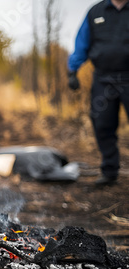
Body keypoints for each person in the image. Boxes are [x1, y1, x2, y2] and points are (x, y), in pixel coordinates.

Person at [67, 0, 129, 186]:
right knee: (102, 123)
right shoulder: (95, 12)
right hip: (103, 79)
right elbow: (82, 42)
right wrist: (72, 70)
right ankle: (110, 171)